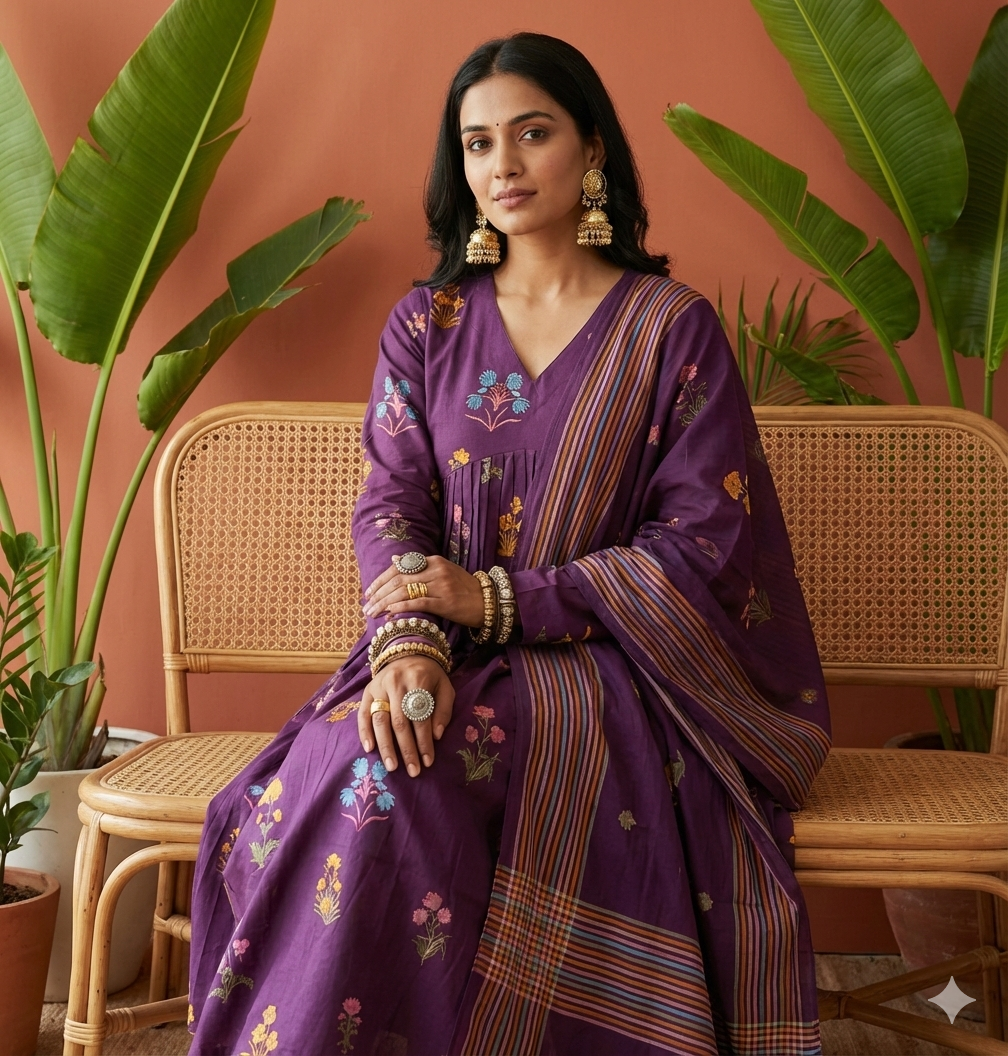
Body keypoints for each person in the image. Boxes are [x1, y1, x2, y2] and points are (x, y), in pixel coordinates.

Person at [187, 32, 831, 1056]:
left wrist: (500, 600)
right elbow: (391, 504)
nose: (505, 165)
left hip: (621, 667)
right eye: (479, 144)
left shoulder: (672, 329)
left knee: (429, 778)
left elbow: (702, 544)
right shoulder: (427, 325)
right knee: (361, 763)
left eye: (532, 134)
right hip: (435, 641)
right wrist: (407, 651)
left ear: (593, 151)